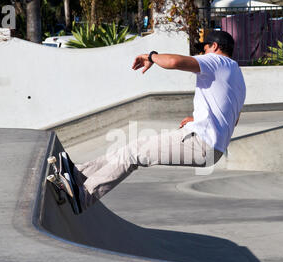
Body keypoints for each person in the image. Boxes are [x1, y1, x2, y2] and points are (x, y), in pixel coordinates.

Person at [62, 30, 246, 214]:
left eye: (204, 50)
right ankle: (80, 174)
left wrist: (152, 56)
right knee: (133, 147)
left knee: (132, 155)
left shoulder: (216, 61)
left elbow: (174, 62)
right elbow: (233, 119)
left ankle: (83, 196)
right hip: (212, 148)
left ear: (214, 47)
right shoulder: (237, 76)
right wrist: (198, 119)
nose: (201, 55)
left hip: (201, 143)